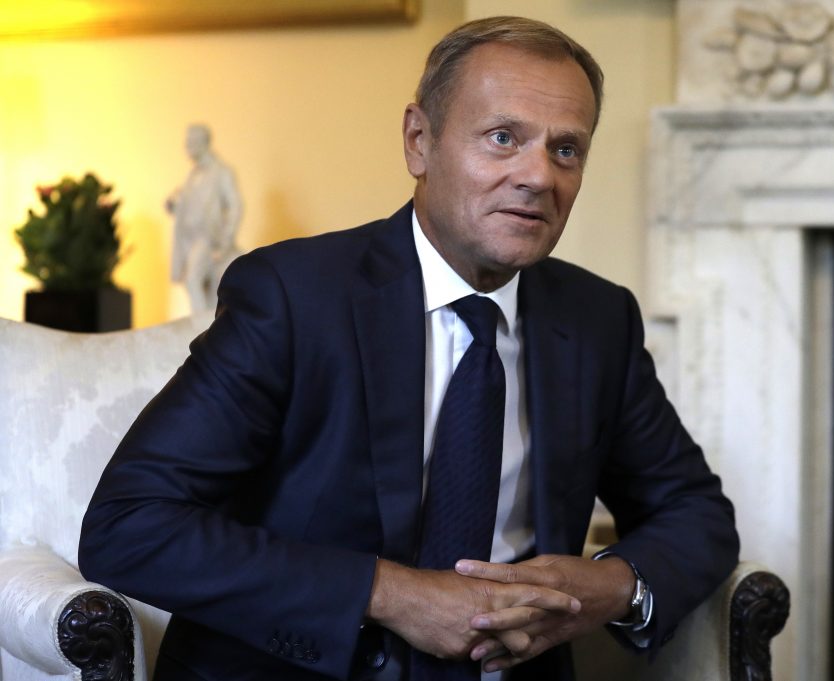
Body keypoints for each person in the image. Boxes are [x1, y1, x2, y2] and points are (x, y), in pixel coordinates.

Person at [79, 16, 738, 681]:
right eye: (503, 137)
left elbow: (695, 512)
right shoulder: (294, 298)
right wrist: (393, 594)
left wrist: (611, 583)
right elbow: (130, 525)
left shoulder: (597, 319)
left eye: (566, 149)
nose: (538, 175)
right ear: (420, 141)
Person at [167, 123, 243, 312]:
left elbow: (235, 206)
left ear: (202, 143)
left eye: (191, 142)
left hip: (208, 239)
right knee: (196, 282)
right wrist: (175, 205)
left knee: (192, 280)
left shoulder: (221, 172)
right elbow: (191, 206)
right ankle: (204, 323)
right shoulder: (192, 175)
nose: (187, 147)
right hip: (189, 239)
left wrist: (226, 241)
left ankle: (200, 327)